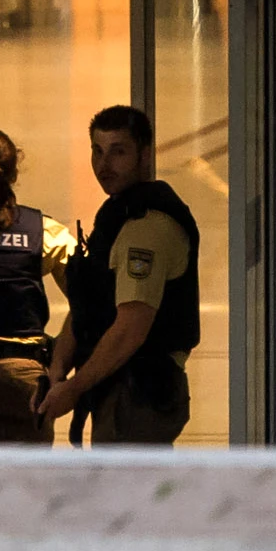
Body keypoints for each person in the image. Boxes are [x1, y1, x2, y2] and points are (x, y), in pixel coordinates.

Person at [39, 105, 200, 446]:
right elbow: (89, 304)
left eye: (118, 152)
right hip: (116, 386)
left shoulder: (147, 228)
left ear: (144, 154)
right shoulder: (117, 218)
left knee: (127, 496)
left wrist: (74, 387)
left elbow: (130, 328)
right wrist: (57, 368)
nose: (104, 164)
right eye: (97, 151)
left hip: (140, 391)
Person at [0, 126, 73, 443]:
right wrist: (58, 360)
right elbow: (90, 299)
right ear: (14, 172)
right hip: (24, 375)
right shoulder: (44, 231)